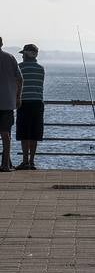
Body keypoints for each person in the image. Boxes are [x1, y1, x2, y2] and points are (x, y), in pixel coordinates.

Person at [17, 44, 44, 170]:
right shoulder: (41, 68)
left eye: (23, 54)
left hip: (24, 102)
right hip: (38, 103)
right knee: (34, 133)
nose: (22, 56)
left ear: (27, 54)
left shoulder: (20, 67)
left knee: (24, 133)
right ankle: (32, 161)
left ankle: (25, 161)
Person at [0, 35, 20, 172]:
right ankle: (6, 165)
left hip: (7, 102)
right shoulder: (10, 58)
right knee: (6, 135)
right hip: (7, 102)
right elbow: (20, 79)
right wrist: (18, 97)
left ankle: (6, 163)